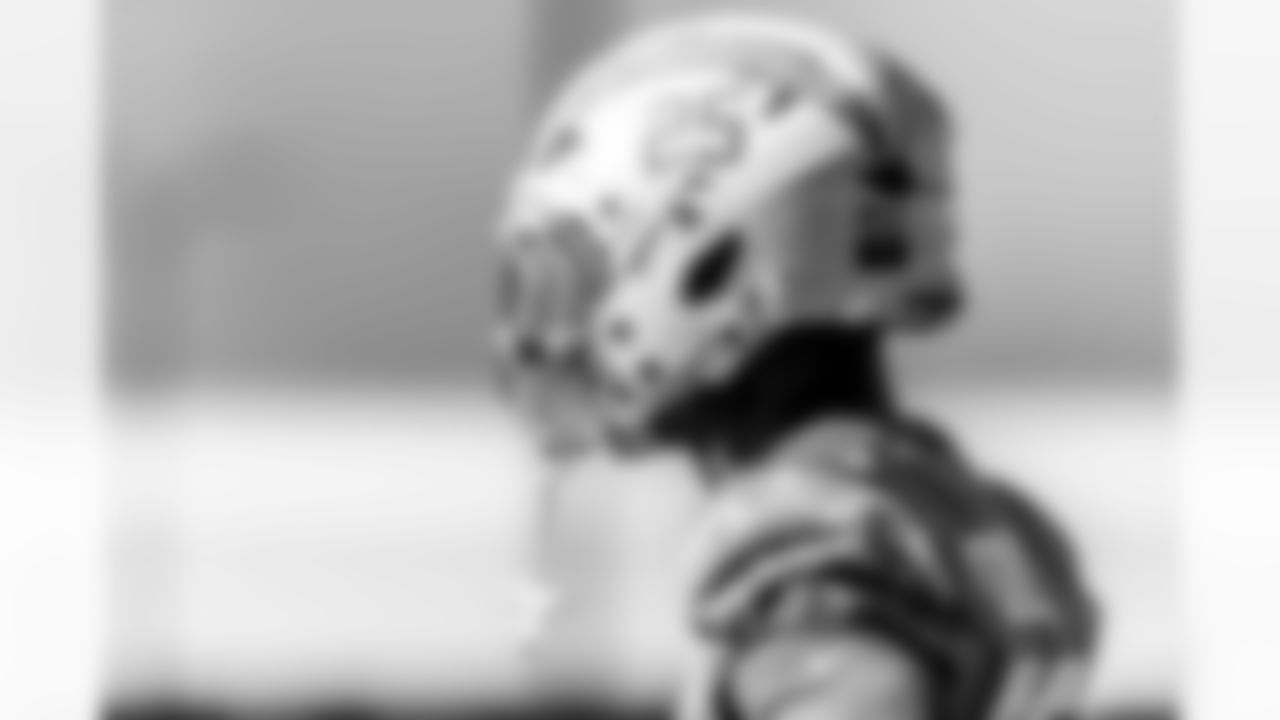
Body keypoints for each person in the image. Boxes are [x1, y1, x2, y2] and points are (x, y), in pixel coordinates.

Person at [492, 13, 1099, 720]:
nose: (560, 328)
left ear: (713, 260)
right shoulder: (964, 510)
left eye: (587, 270)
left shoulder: (800, 539)